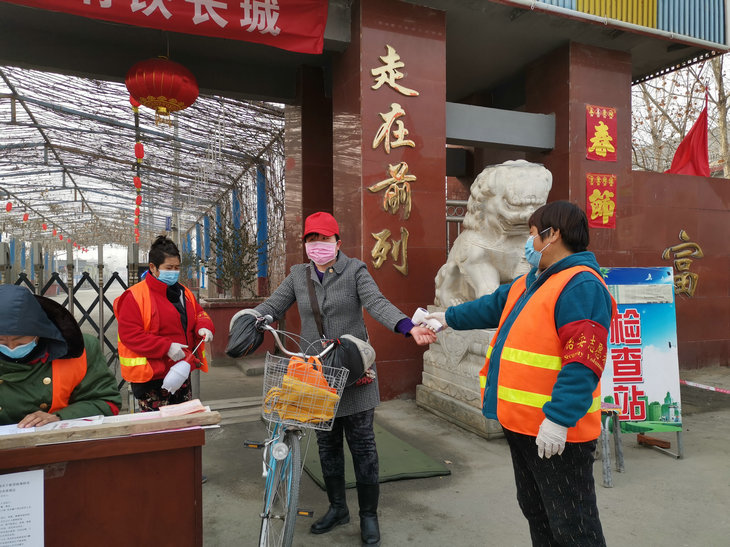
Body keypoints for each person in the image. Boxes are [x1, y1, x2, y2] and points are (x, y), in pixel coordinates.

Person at [237, 211, 435, 546]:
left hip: (354, 371)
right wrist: (252, 317)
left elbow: (377, 303)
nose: (318, 245)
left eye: (324, 239)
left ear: (338, 242)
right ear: (305, 244)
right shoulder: (298, 275)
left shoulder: (355, 271)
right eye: (311, 239)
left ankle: (369, 516)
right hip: (316, 375)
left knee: (363, 446)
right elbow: (274, 304)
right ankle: (338, 508)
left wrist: (408, 326)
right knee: (327, 446)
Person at [425, 201, 615, 546]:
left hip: (557, 433)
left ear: (552, 235)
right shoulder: (533, 281)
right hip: (523, 427)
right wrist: (445, 318)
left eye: (532, 234)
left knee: (573, 525)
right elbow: (491, 306)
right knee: (537, 510)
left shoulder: (581, 285)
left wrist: (558, 419)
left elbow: (583, 361)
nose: (528, 243)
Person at [115, 235, 214, 411]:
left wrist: (204, 326)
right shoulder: (135, 296)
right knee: (158, 426)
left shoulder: (183, 293)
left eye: (177, 267)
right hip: (153, 379)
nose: (174, 272)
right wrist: (166, 347)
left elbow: (199, 313)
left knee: (184, 421)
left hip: (182, 372)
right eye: (169, 268)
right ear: (153, 267)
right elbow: (130, 335)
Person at [0, 284, 121, 427]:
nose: (11, 347)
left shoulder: (81, 350)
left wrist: (60, 417)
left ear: (39, 332)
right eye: (2, 341)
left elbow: (107, 403)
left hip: (62, 436)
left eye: (20, 341)